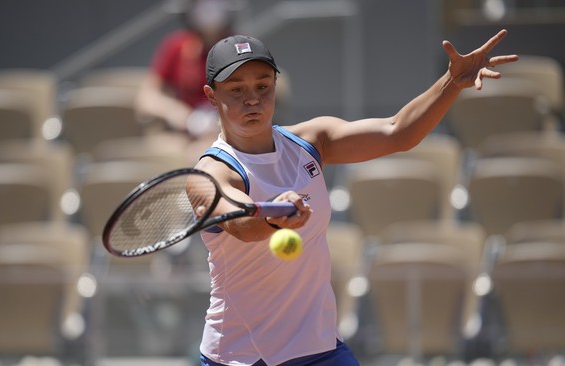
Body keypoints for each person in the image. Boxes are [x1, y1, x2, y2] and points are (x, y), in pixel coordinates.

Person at [193, 31, 518, 366]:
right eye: (236, 89)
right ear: (211, 96)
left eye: (263, 85)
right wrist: (274, 218)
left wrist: (452, 81)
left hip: (319, 347)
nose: (253, 98)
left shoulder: (312, 140)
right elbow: (242, 224)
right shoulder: (210, 174)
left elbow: (398, 131)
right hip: (241, 357)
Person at [135, 0, 234, 137]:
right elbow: (147, 97)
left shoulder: (241, 46)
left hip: (230, 133)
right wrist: (182, 116)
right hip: (185, 135)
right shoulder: (176, 46)